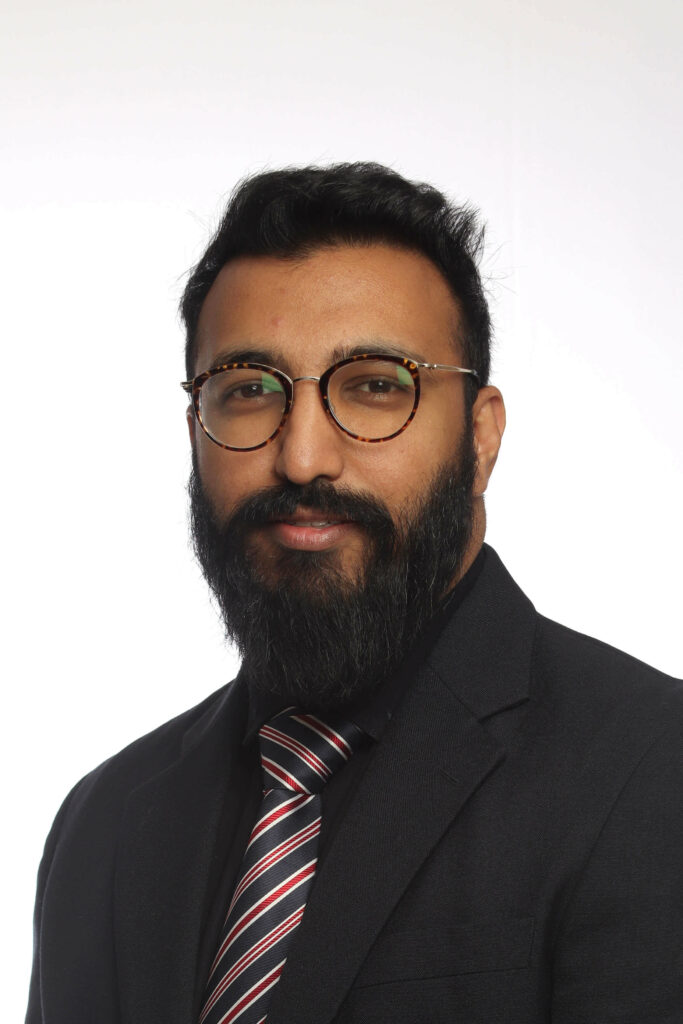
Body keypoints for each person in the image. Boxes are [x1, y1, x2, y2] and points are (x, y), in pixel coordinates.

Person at [27, 163, 682, 1024]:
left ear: (480, 437)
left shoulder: (653, 772)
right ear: (195, 429)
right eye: (249, 389)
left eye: (376, 385)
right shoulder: (102, 822)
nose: (303, 458)